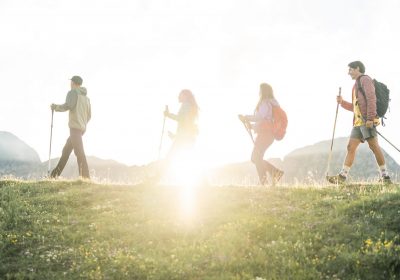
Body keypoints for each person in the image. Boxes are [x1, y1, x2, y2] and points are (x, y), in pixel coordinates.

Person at [327, 61, 391, 184]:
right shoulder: (355, 85)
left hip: (367, 121)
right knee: (350, 147)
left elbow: (371, 98)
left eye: (350, 69)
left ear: (357, 68)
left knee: (374, 146)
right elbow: (355, 107)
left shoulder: (365, 80)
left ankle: (385, 177)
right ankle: (342, 176)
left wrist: (370, 119)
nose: (348, 72)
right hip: (358, 123)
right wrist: (342, 102)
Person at [239, 83, 284, 186]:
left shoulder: (265, 103)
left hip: (265, 134)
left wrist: (247, 118)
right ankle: (273, 175)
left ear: (263, 91)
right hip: (269, 135)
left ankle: (267, 179)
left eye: (260, 90)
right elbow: (265, 119)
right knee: (257, 157)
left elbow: (260, 118)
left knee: (255, 157)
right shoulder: (273, 103)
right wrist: (253, 126)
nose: (259, 92)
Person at [50, 76, 91, 179]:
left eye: (71, 82)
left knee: (79, 152)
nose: (70, 84)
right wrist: (83, 124)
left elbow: (68, 106)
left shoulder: (73, 93)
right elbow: (89, 115)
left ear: (73, 83)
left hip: (74, 128)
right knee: (66, 151)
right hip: (81, 129)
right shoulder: (86, 98)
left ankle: (86, 178)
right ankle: (53, 176)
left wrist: (55, 107)